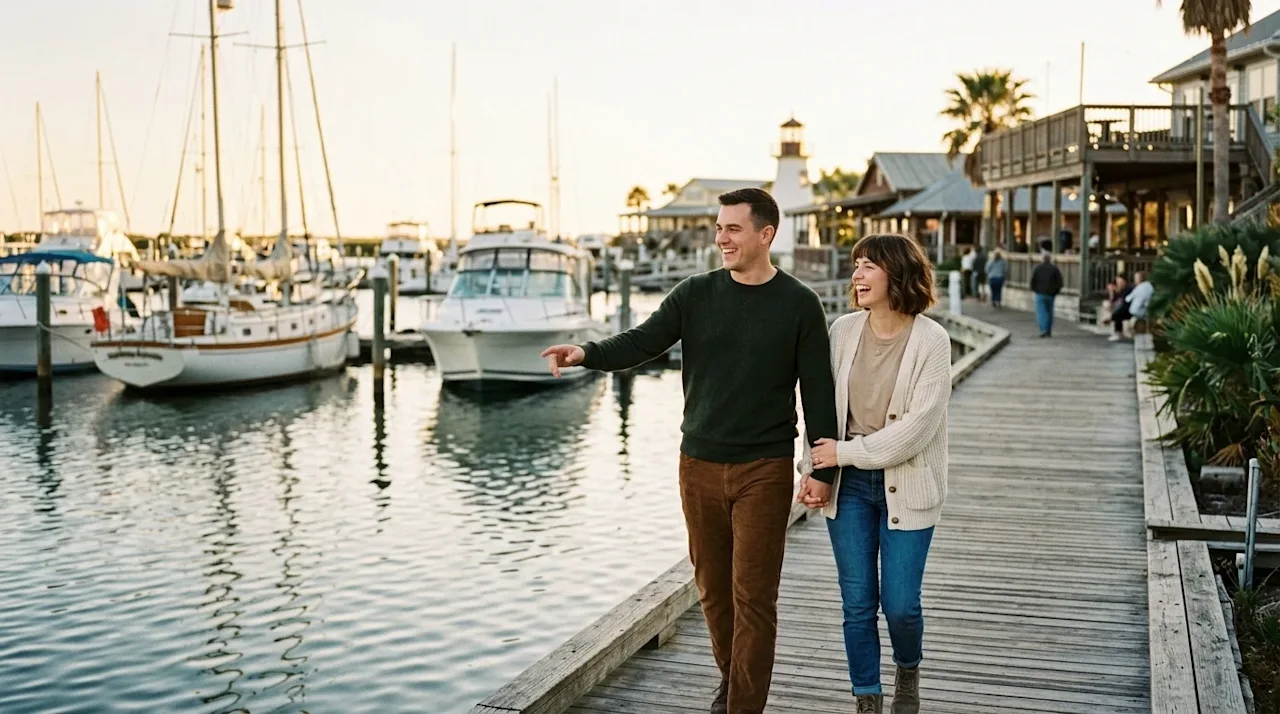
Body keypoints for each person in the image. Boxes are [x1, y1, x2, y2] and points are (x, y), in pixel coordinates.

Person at [542, 188, 839, 714]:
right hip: (697, 464)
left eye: (733, 229)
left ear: (765, 234)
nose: (721, 238)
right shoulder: (694, 294)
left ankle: (742, 705)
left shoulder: (799, 304)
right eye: (719, 228)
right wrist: (586, 352)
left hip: (764, 470)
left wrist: (820, 469)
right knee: (713, 591)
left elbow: (817, 391)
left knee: (754, 598)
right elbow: (641, 341)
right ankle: (732, 680)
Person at [796, 233, 952, 714]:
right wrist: (814, 467)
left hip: (907, 484)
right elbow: (818, 406)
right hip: (849, 489)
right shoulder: (843, 331)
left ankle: (909, 668)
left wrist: (842, 455)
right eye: (855, 265)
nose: (857, 275)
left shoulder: (932, 340)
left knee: (901, 606)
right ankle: (867, 698)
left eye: (868, 266)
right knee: (858, 603)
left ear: (897, 273)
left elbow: (916, 431)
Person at [1107, 271, 1153, 342]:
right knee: (1118, 311)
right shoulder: (1142, 286)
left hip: (1137, 310)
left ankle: (1117, 331)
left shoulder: (1134, 288)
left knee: (1118, 313)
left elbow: (1128, 299)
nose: (1135, 280)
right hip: (1136, 309)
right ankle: (1116, 328)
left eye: (1136, 278)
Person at [1030, 251, 1063, 337]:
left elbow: (1033, 281)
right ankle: (1048, 329)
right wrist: (1056, 291)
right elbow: (1059, 282)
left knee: (1041, 312)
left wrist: (1034, 289)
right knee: (1049, 312)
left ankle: (1043, 329)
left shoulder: (1037, 268)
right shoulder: (1054, 268)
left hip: (1040, 292)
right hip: (1051, 293)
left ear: (1042, 259)